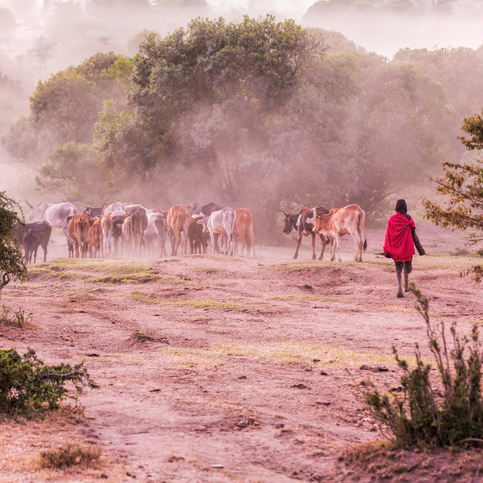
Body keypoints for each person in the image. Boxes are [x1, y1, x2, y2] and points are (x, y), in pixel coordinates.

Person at [383, 199, 425, 298]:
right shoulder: (408, 218)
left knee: (398, 268)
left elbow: (388, 235)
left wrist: (387, 250)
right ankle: (406, 286)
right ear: (405, 206)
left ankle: (399, 288)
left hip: (396, 248)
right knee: (407, 266)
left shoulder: (391, 219)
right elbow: (414, 235)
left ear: (396, 206)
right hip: (407, 247)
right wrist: (420, 249)